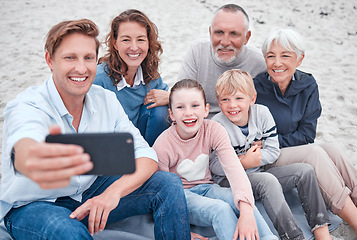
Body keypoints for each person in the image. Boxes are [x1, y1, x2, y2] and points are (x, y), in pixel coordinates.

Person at [0, 19, 191, 239]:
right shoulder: (28, 106)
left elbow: (146, 156)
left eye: (88, 58)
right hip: (36, 204)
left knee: (167, 183)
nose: (81, 68)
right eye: (70, 57)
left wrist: (112, 193)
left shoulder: (105, 100)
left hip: (90, 191)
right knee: (67, 231)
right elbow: (27, 150)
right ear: (50, 60)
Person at [254, 27, 357, 235]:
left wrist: (275, 140)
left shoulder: (308, 84)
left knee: (332, 149)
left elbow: (307, 134)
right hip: (267, 155)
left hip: (288, 146)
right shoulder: (256, 87)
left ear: (299, 59)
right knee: (314, 152)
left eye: (285, 55)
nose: (277, 63)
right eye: (271, 56)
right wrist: (268, 144)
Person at [210, 69, 331, 239]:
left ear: (252, 99)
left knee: (305, 171)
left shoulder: (262, 114)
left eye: (239, 98)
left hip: (258, 170)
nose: (232, 105)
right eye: (225, 99)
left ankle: (320, 229)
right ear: (219, 102)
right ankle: (293, 236)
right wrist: (244, 163)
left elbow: (273, 150)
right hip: (229, 180)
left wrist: (254, 160)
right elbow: (214, 166)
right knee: (267, 180)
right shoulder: (216, 126)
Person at [153, 79, 277, 240]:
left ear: (206, 110)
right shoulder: (163, 144)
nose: (188, 113)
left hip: (208, 188)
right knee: (221, 209)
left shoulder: (213, 130)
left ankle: (269, 237)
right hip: (181, 196)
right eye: (180, 107)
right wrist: (180, 230)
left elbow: (234, 169)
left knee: (242, 202)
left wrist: (246, 212)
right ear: (171, 114)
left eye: (195, 106)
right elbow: (161, 195)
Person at [94, 9, 170, 146]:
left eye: (140, 40)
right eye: (126, 40)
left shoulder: (151, 76)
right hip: (110, 146)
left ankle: (156, 158)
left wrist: (170, 97)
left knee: (162, 111)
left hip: (143, 145)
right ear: (115, 43)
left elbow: (180, 102)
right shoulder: (98, 79)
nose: (134, 47)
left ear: (148, 43)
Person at [177, 4, 266, 117]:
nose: (225, 42)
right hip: (200, 122)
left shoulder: (259, 62)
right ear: (210, 32)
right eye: (219, 32)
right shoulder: (197, 51)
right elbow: (181, 98)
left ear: (247, 37)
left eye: (234, 34)